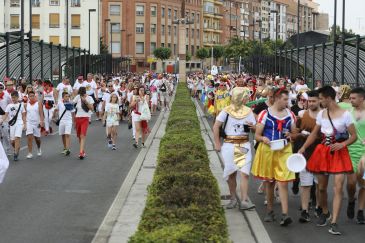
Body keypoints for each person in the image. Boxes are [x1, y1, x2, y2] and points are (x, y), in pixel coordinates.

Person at [299, 86, 357, 235]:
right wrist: (304, 147)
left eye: (321, 98)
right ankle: (325, 212)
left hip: (339, 152)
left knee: (338, 187)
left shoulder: (346, 115)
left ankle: (334, 222)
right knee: (322, 188)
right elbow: (314, 134)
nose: (319, 101)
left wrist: (342, 144)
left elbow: (353, 136)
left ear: (328, 98)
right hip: (323, 151)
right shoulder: (322, 114)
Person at [251, 88, 297, 227]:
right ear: (277, 98)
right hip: (268, 150)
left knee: (283, 182)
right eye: (285, 99)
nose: (287, 102)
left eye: (287, 99)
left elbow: (294, 133)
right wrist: (263, 138)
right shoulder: (264, 114)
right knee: (269, 182)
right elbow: (257, 135)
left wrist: (291, 135)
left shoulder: (290, 114)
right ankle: (270, 210)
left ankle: (285, 214)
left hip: (284, 150)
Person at [213, 87, 256, 210]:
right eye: (246, 96)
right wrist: (217, 143)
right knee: (231, 174)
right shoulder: (226, 111)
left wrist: (253, 127)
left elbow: (256, 128)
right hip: (229, 145)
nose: (247, 98)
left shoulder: (248, 111)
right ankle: (232, 199)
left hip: (244, 145)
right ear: (240, 97)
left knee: (244, 173)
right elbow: (216, 127)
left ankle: (244, 200)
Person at [291, 90, 322, 222]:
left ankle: (319, 208)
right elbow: (296, 130)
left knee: (320, 185)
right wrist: (295, 135)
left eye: (314, 101)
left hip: (320, 154)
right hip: (304, 153)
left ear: (320, 101)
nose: (311, 103)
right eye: (309, 101)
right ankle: (305, 210)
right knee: (305, 184)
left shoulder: (325, 116)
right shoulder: (302, 114)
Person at [345, 87, 365, 224]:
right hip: (350, 151)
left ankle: (360, 211)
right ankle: (351, 200)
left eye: (353, 98)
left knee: (363, 183)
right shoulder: (347, 113)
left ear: (362, 98)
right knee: (351, 183)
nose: (350, 100)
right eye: (350, 98)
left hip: (364, 152)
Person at [0, 91, 26, 161]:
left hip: (19, 123)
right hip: (12, 124)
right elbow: (5, 115)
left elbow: (23, 116)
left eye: (14, 97)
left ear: (17, 97)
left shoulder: (21, 105)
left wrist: (24, 124)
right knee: (12, 141)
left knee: (17, 138)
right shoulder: (9, 106)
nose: (13, 99)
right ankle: (17, 148)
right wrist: (2, 120)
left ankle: (15, 154)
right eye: (12, 98)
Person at [73, 87, 94, 159]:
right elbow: (72, 103)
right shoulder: (77, 97)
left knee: (82, 135)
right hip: (77, 118)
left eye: (83, 92)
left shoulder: (89, 98)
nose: (82, 94)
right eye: (81, 93)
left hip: (85, 118)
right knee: (79, 136)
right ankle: (82, 150)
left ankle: (81, 153)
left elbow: (92, 108)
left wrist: (86, 102)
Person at [25, 91, 44, 159]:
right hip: (29, 122)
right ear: (28, 97)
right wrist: (24, 123)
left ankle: (39, 148)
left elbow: (41, 113)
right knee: (29, 137)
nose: (32, 97)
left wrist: (41, 121)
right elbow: (25, 114)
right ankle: (30, 152)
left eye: (33, 96)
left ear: (35, 96)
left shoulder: (38, 103)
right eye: (30, 96)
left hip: (36, 123)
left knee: (37, 138)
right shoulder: (26, 104)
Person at [0, 82, 12, 156]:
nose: (0, 89)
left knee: (5, 134)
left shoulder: (6, 95)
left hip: (5, 116)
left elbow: (10, 104)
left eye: (1, 88)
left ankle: (7, 149)